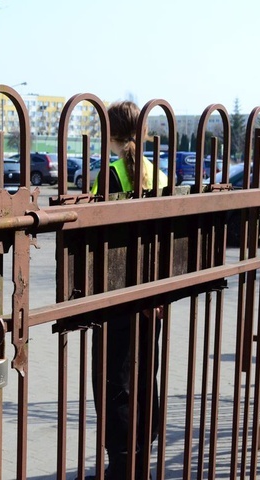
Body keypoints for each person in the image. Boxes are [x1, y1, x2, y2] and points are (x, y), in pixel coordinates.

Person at [87, 101, 168, 480]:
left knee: (113, 380)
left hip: (116, 293)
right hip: (152, 293)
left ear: (111, 132)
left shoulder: (110, 174)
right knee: (144, 374)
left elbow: (92, 233)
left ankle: (122, 465)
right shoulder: (160, 174)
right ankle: (140, 458)